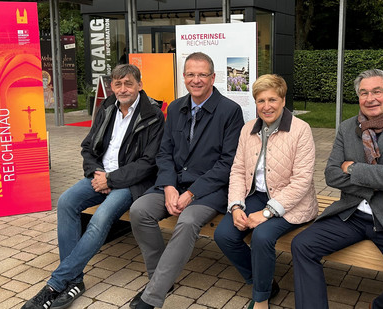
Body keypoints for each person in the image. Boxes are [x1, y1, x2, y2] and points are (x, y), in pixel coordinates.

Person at [22, 64, 165, 309]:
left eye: (128, 83)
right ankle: (74, 280)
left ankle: (55, 284)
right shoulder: (107, 106)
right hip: (99, 175)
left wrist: (111, 180)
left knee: (101, 217)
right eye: (117, 84)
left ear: (140, 85)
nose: (123, 89)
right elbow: (88, 147)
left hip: (129, 183)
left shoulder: (152, 114)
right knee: (66, 201)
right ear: (111, 86)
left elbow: (148, 163)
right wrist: (96, 173)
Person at [291, 69, 383, 309]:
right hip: (352, 214)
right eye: (364, 93)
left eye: (377, 91)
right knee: (302, 245)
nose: (370, 98)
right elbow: (331, 175)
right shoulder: (348, 128)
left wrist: (353, 168)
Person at [128, 52, 245, 309]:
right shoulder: (175, 107)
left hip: (209, 190)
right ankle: (161, 279)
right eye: (191, 74)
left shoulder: (230, 111)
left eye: (202, 74)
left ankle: (152, 297)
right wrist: (169, 186)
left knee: (188, 220)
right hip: (173, 184)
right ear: (183, 77)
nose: (196, 80)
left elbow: (228, 163)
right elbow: (164, 152)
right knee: (138, 211)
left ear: (213, 77)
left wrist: (191, 193)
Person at [214, 74, 318, 309]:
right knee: (224, 235)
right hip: (256, 196)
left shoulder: (301, 130)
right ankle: (264, 282)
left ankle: (261, 298)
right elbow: (238, 170)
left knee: (262, 237)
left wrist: (267, 213)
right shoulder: (248, 129)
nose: (266, 106)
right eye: (261, 101)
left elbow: (302, 181)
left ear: (282, 100)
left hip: (292, 202)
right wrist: (237, 205)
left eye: (272, 99)